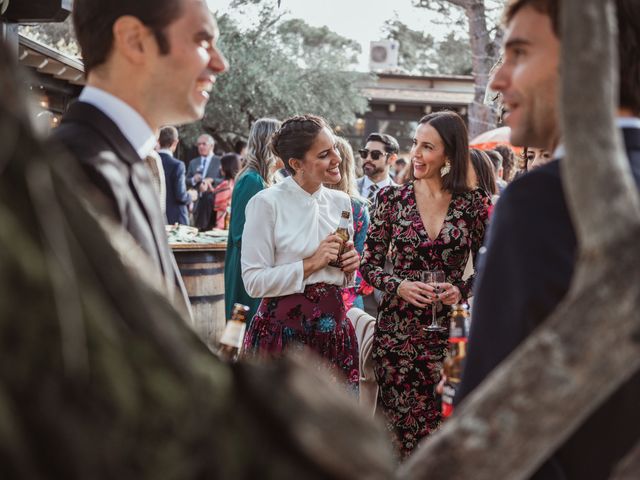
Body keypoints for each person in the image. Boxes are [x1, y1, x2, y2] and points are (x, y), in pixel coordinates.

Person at [457, 1, 640, 479]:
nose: (499, 80)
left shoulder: (544, 199)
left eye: (519, 53)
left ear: (591, 59)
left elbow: (489, 420)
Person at [53, 0, 227, 316]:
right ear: (134, 40)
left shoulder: (130, 159)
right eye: (203, 41)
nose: (220, 63)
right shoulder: (74, 170)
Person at [360, 110, 490, 458]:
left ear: (449, 154)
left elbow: (488, 267)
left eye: (427, 147)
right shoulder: (390, 201)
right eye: (415, 144)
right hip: (397, 337)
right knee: (398, 436)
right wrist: (398, 286)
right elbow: (368, 265)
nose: (415, 154)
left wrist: (461, 289)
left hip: (449, 336)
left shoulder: (473, 205)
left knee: (445, 433)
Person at [241, 115, 360, 390]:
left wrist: (349, 267)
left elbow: (343, 279)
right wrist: (312, 263)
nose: (337, 159)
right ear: (296, 164)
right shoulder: (266, 203)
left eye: (334, 149)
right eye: (324, 154)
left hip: (336, 336)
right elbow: (253, 281)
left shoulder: (341, 201)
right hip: (283, 339)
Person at [224, 117, 281, 320]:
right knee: (243, 332)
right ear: (270, 143)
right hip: (247, 270)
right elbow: (239, 233)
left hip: (262, 269)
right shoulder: (251, 180)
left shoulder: (269, 179)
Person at [326, 137, 371, 311]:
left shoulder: (357, 207)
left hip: (342, 299)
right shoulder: (359, 207)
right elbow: (362, 261)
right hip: (349, 297)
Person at [158, 126, 191, 225]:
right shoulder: (177, 165)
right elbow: (181, 196)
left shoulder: (149, 162)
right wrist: (191, 196)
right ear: (175, 142)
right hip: (175, 218)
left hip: (156, 216)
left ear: (159, 141)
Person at [356, 133, 399, 206]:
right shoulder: (349, 187)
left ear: (392, 159)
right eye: (365, 153)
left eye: (375, 154)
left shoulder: (400, 195)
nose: (368, 158)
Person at [207, 152, 240, 229]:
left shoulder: (225, 185)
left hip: (222, 225)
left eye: (221, 165)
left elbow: (220, 209)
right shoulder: (236, 182)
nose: (220, 167)